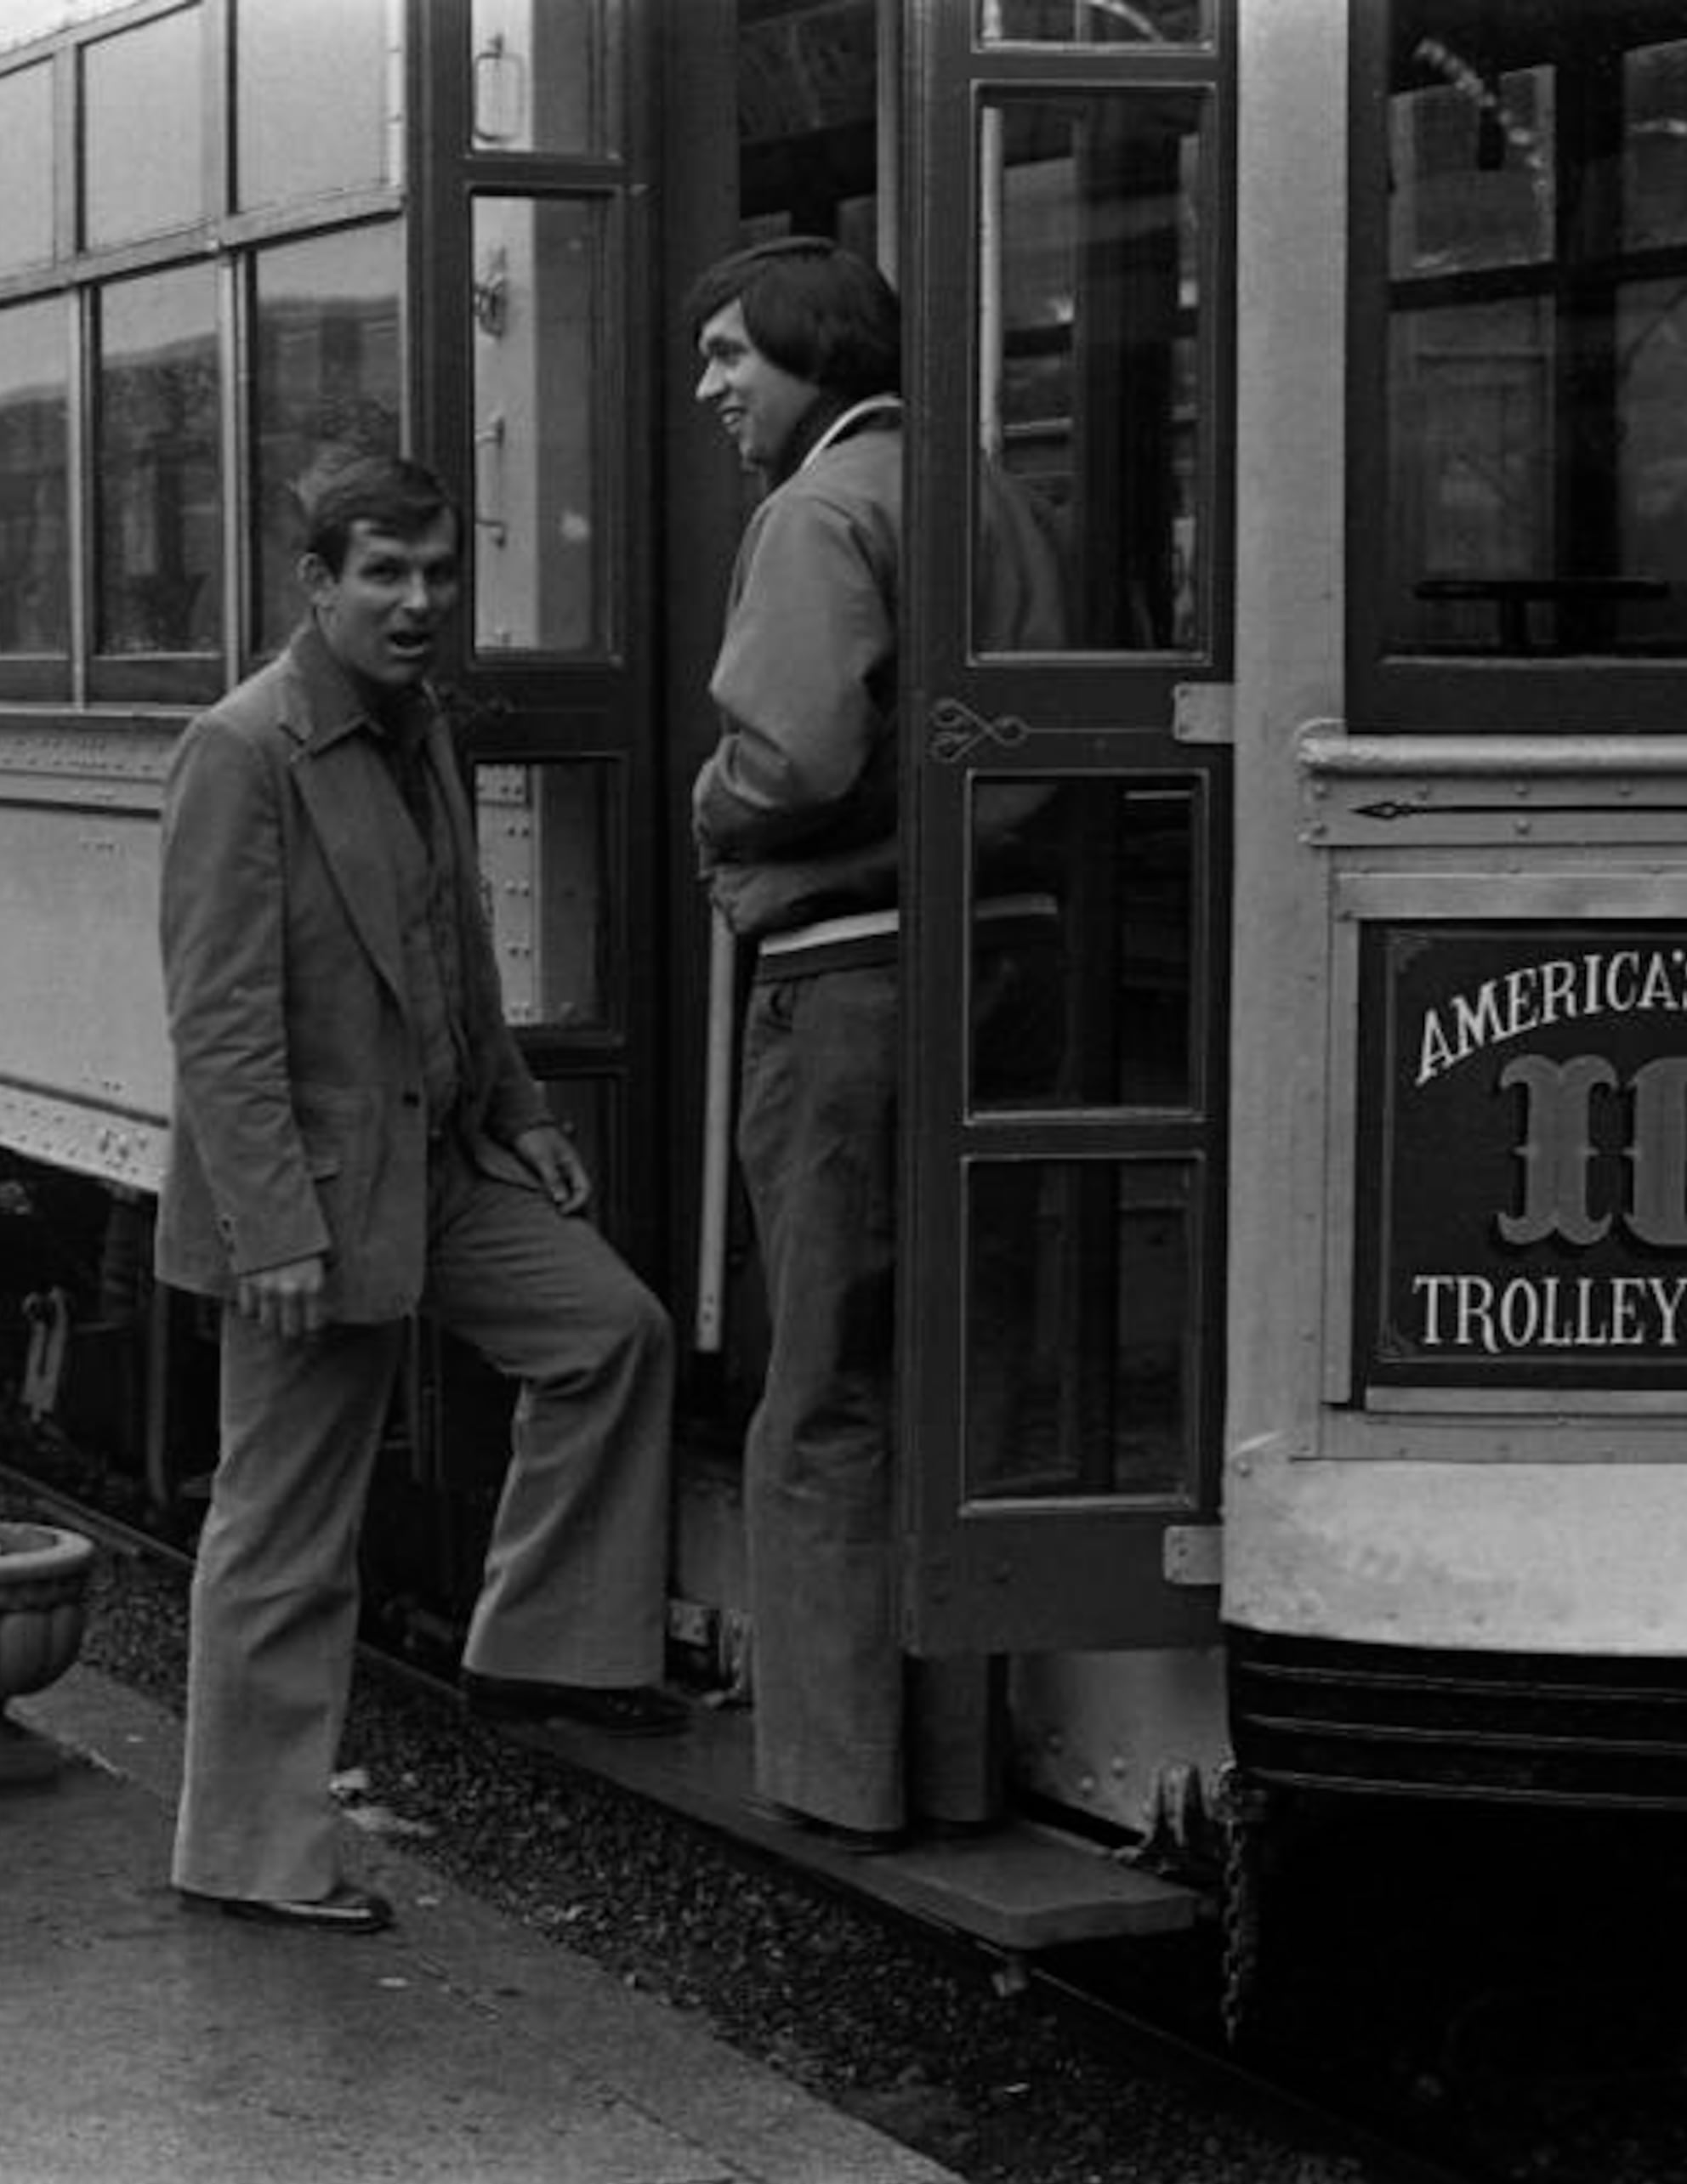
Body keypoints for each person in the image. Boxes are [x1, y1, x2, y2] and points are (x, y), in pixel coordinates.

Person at [158, 455, 680, 1937]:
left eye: (440, 574)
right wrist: (270, 1231)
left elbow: (456, 956)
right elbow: (220, 1022)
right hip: (312, 1204)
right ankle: (248, 1855)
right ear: (316, 585)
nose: (419, 603)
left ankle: (535, 1657)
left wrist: (518, 1116)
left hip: (440, 1165)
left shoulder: (417, 731)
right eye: (384, 574)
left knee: (610, 1331)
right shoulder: (244, 750)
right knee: (284, 1528)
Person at [687, 237, 1071, 1851]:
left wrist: (710, 802)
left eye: (729, 356)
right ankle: (963, 1762)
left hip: (846, 985)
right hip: (1005, 965)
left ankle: (840, 1777)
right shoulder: (986, 492)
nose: (711, 388)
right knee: (960, 1372)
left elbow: (788, 754)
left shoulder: (817, 511)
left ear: (810, 358)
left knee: (829, 1379)